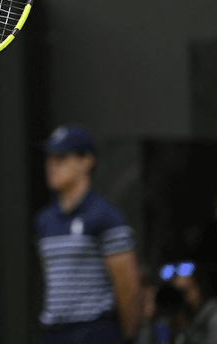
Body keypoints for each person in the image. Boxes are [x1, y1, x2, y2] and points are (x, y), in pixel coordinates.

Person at [37, 125, 143, 344]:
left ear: (87, 161)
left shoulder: (106, 216)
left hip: (94, 331)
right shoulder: (44, 220)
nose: (52, 165)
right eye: (50, 158)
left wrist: (129, 336)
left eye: (62, 158)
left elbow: (127, 285)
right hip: (54, 332)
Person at [156, 261, 217, 344]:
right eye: (178, 294)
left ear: (199, 289)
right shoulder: (182, 324)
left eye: (185, 292)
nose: (183, 298)